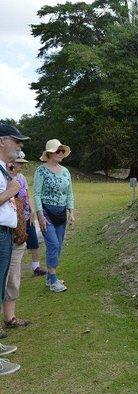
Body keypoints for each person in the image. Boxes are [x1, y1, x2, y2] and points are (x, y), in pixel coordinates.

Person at [0, 123, 30, 375]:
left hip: (5, 235)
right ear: (1, 141)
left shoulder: (2, 169)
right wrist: (10, 191)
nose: (20, 146)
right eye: (16, 141)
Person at [33, 139, 75, 293]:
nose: (61, 154)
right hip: (46, 213)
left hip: (61, 213)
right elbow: (37, 194)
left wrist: (71, 211)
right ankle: (53, 279)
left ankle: (50, 277)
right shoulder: (41, 171)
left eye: (62, 151)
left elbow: (69, 192)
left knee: (59, 246)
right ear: (50, 153)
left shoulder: (65, 171)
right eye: (58, 151)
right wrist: (40, 215)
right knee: (53, 244)